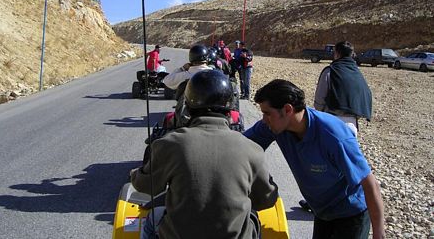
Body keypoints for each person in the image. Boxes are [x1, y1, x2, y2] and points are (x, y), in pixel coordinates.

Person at [130, 70, 279, 238]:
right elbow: (266, 199)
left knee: (151, 219)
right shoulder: (252, 149)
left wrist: (136, 174)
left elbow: (145, 186)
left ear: (187, 107)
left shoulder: (169, 143)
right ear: (230, 108)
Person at [244, 79, 385, 239]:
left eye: (267, 113)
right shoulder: (274, 126)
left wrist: (379, 234)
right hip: (322, 212)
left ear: (288, 110)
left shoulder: (333, 135)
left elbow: (369, 184)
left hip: (351, 214)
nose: (264, 119)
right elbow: (239, 146)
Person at [314, 41, 372, 137]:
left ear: (337, 53)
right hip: (352, 125)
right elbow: (366, 95)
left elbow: (319, 101)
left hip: (330, 123)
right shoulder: (357, 72)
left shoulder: (330, 71)